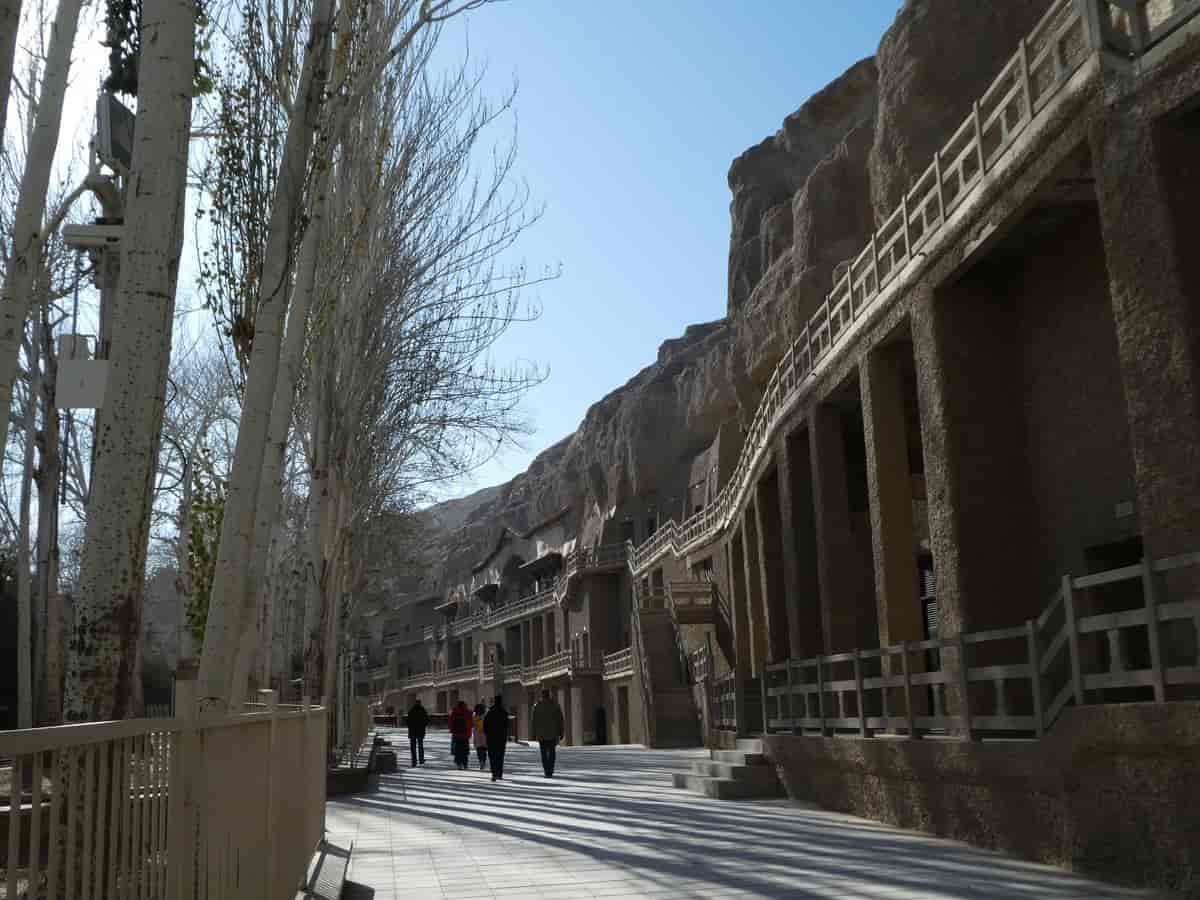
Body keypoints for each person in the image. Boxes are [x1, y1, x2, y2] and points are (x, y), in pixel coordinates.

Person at [531, 689, 565, 778]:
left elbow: (534, 721)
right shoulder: (555, 705)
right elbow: (560, 719)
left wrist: (534, 733)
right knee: (552, 752)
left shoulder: (537, 706)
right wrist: (561, 732)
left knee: (543, 753)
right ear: (549, 695)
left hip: (541, 734)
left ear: (542, 695)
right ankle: (550, 769)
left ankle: (546, 770)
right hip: (552, 733)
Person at [483, 695, 510, 781]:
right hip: (501, 737)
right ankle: (499, 773)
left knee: (492, 755)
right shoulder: (504, 712)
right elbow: (507, 725)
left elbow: (485, 725)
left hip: (491, 737)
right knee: (500, 755)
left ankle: (494, 773)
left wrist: (487, 733)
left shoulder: (489, 712)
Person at [448, 700, 473, 770]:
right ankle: (465, 763)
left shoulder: (454, 712)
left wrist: (452, 730)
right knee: (465, 749)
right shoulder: (468, 712)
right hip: (465, 734)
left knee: (458, 749)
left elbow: (450, 723)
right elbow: (471, 723)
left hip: (456, 734)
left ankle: (459, 763)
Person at [406, 699, 429, 768]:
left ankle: (414, 761)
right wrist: (423, 726)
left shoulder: (411, 711)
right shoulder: (423, 710)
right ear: (420, 703)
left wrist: (410, 727)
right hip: (420, 731)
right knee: (420, 745)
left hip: (412, 731)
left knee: (413, 747)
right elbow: (426, 720)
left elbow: (407, 721)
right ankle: (421, 759)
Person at [473, 701, 489, 771]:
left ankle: (481, 761)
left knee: (479, 750)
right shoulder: (486, 716)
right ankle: (483, 761)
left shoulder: (474, 716)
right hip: (485, 735)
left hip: (477, 735)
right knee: (484, 750)